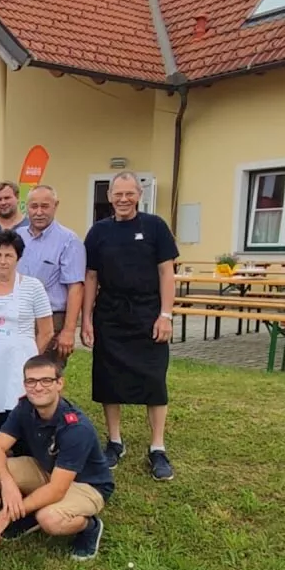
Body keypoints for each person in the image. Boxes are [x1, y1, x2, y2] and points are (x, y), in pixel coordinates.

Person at [82, 171, 178, 481]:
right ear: (109, 197)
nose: (123, 199)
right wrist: (86, 319)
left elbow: (167, 273)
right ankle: (114, 441)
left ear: (139, 195)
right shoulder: (98, 232)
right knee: (109, 380)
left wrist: (166, 315)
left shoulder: (155, 227)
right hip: (109, 314)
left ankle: (157, 448)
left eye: (129, 194)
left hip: (147, 313)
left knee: (154, 380)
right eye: (117, 194)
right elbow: (91, 278)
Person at [0, 355, 112, 561]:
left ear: (59, 383)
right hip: (49, 470)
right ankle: (29, 511)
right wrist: (8, 485)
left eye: (46, 381)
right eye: (31, 381)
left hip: (87, 485)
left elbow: (57, 489)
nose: (38, 387)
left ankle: (90, 527)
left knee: (49, 519)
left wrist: (6, 515)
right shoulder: (26, 408)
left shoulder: (75, 427)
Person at [0, 229, 53, 444]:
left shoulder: (33, 287)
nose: (2, 261)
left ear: (18, 258)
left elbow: (46, 330)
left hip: (19, 362)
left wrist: (31, 362)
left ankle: (24, 458)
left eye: (8, 255)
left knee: (20, 410)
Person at [16, 185, 85, 364]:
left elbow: (75, 288)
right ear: (26, 207)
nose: (39, 212)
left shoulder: (69, 240)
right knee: (16, 375)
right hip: (19, 318)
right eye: (34, 206)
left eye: (45, 206)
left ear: (56, 205)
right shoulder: (17, 237)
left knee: (43, 377)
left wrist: (69, 330)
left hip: (52, 320)